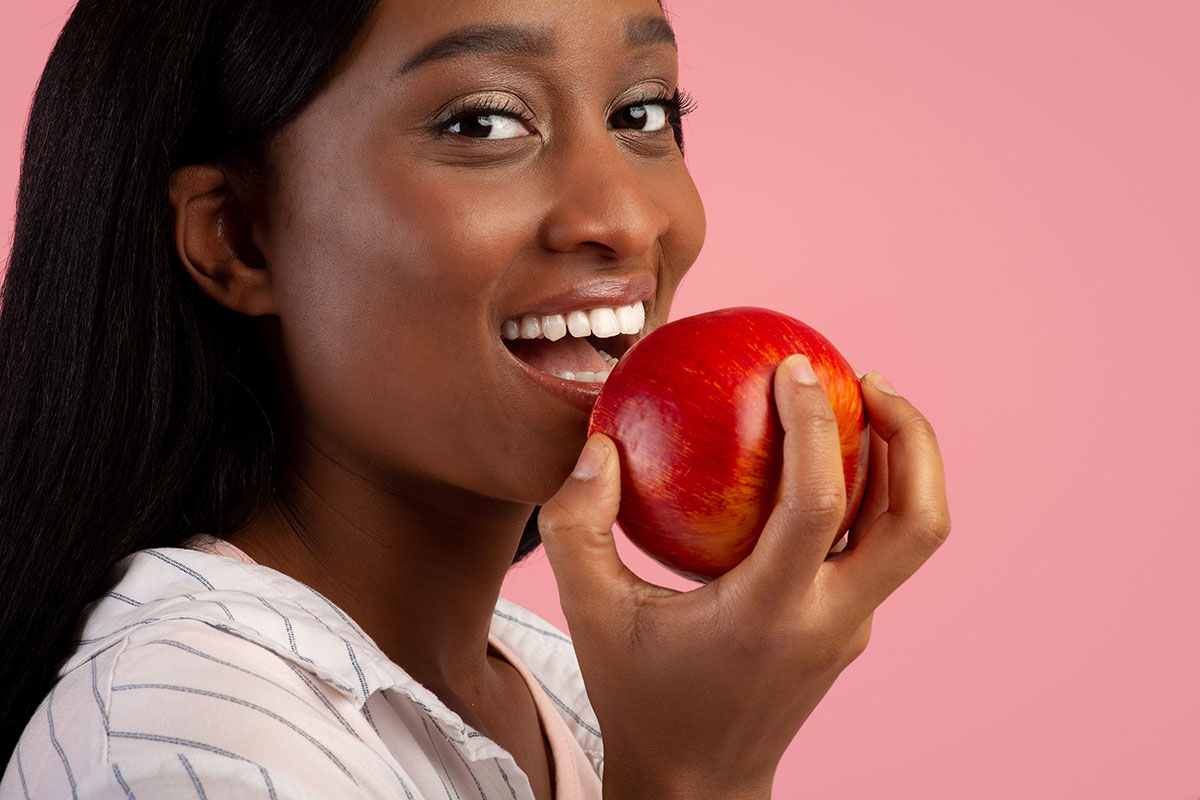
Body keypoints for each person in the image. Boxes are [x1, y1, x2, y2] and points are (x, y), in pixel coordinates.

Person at [0, 0, 951, 796]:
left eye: (644, 113)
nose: (625, 217)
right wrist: (693, 779)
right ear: (238, 238)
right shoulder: (184, 727)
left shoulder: (561, 686)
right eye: (483, 123)